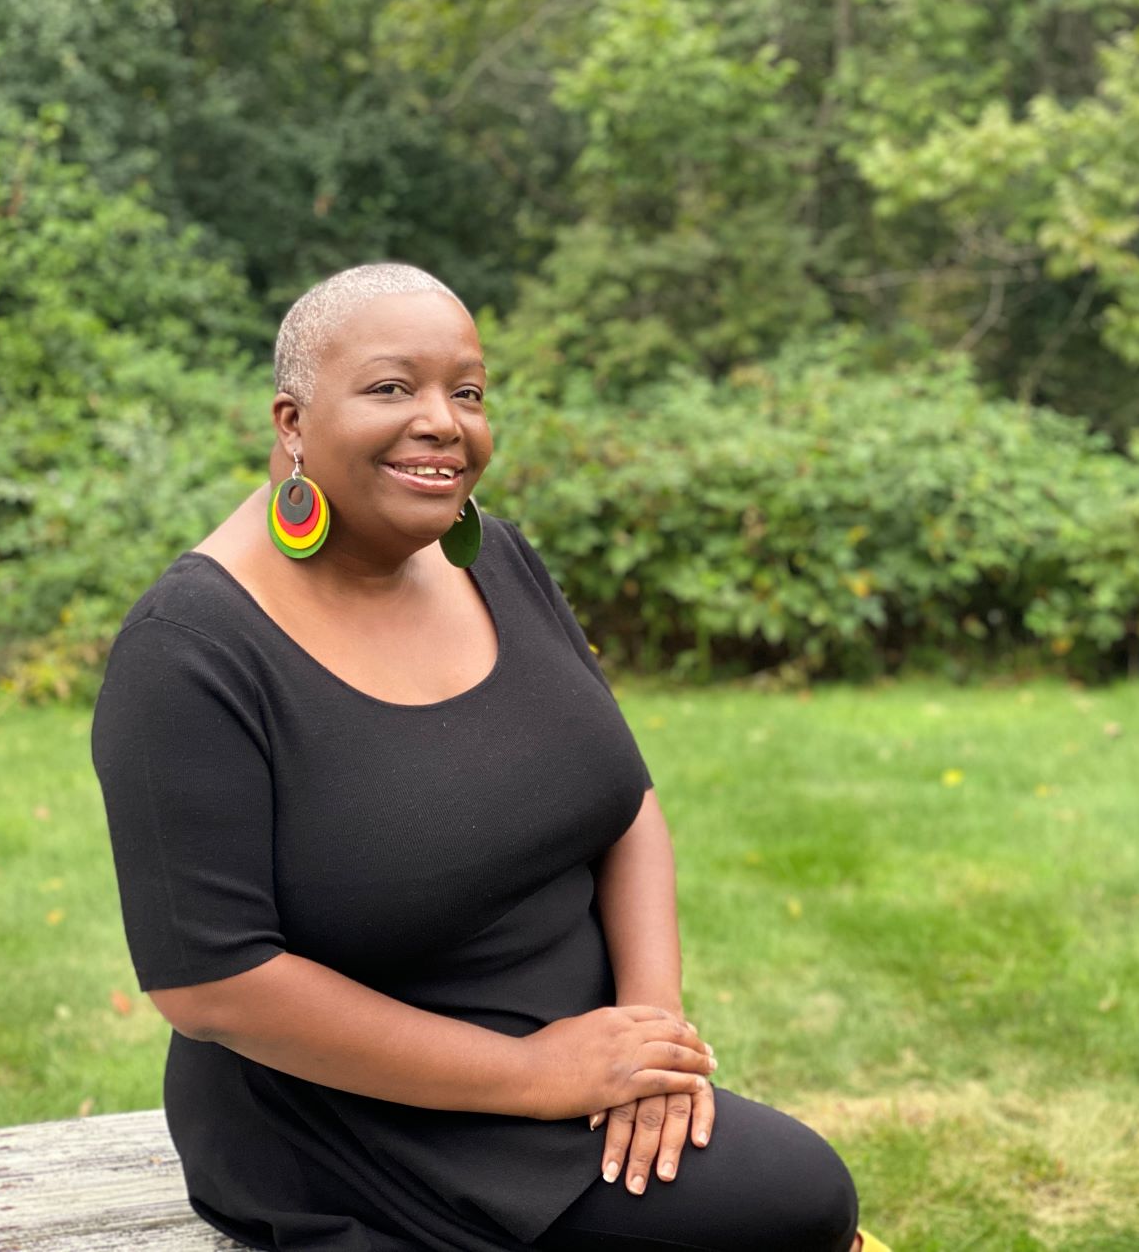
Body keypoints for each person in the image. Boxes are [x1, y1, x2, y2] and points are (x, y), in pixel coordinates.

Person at [89, 262, 887, 1252]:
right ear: (291, 421)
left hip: (578, 1059)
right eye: (392, 388)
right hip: (351, 1117)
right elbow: (211, 986)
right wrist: (536, 1078)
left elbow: (625, 806)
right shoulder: (191, 650)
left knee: (789, 1198)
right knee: (795, 1199)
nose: (443, 422)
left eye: (466, 392)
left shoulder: (497, 560)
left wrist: (648, 1041)